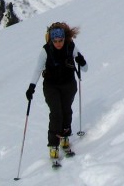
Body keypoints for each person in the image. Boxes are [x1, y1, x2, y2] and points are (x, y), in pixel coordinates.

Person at [26, 22, 88, 160]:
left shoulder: (71, 47)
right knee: (56, 113)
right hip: (51, 86)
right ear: (51, 40)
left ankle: (65, 137)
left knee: (66, 111)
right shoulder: (46, 50)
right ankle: (53, 144)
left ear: (64, 39)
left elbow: (85, 68)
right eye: (55, 41)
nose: (58, 43)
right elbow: (38, 69)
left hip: (69, 85)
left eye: (60, 40)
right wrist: (31, 87)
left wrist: (81, 60)